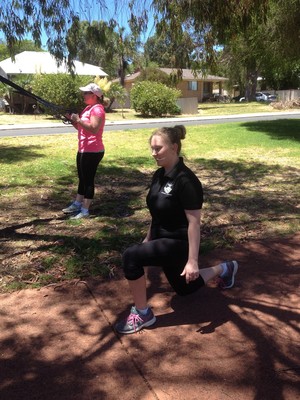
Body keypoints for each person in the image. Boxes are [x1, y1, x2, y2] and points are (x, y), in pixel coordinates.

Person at [115, 125, 238, 334]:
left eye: (158, 148)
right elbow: (156, 213)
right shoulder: (158, 175)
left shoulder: (187, 181)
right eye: (152, 148)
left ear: (174, 147)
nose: (154, 153)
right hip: (162, 239)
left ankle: (143, 314)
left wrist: (192, 261)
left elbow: (194, 223)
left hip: (179, 242)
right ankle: (225, 268)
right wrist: (147, 239)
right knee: (185, 288)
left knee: (131, 256)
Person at [62, 83, 106, 219]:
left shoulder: (97, 109)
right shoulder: (88, 108)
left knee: (88, 180)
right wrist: (73, 121)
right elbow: (82, 128)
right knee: (82, 178)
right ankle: (77, 203)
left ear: (94, 95)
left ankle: (85, 210)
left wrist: (79, 120)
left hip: (93, 150)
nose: (83, 95)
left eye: (86, 93)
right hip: (83, 149)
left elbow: (94, 128)